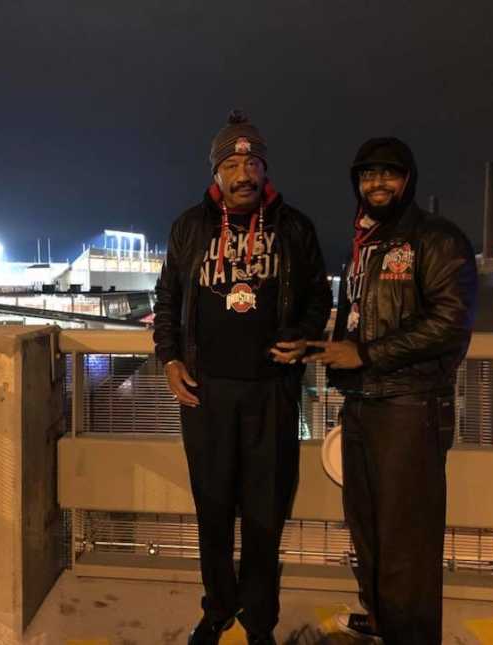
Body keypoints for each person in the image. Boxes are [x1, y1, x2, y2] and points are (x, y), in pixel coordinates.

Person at [153, 110, 332, 645]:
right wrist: (168, 359)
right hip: (205, 394)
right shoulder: (189, 227)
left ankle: (259, 620)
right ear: (216, 173)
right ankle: (217, 609)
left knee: (264, 512)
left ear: (265, 168)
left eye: (253, 162)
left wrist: (302, 333)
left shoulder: (295, 227)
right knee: (212, 507)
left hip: (271, 391)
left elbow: (319, 297)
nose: (244, 173)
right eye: (232, 163)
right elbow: (166, 299)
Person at [305, 137, 478, 644]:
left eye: (388, 174)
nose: (376, 184)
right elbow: (362, 319)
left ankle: (412, 634)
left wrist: (367, 354)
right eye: (367, 175)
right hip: (364, 406)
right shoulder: (367, 243)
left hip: (410, 407)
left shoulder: (436, 238)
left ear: (408, 180)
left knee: (407, 547)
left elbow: (450, 321)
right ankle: (383, 624)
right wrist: (326, 351)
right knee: (369, 535)